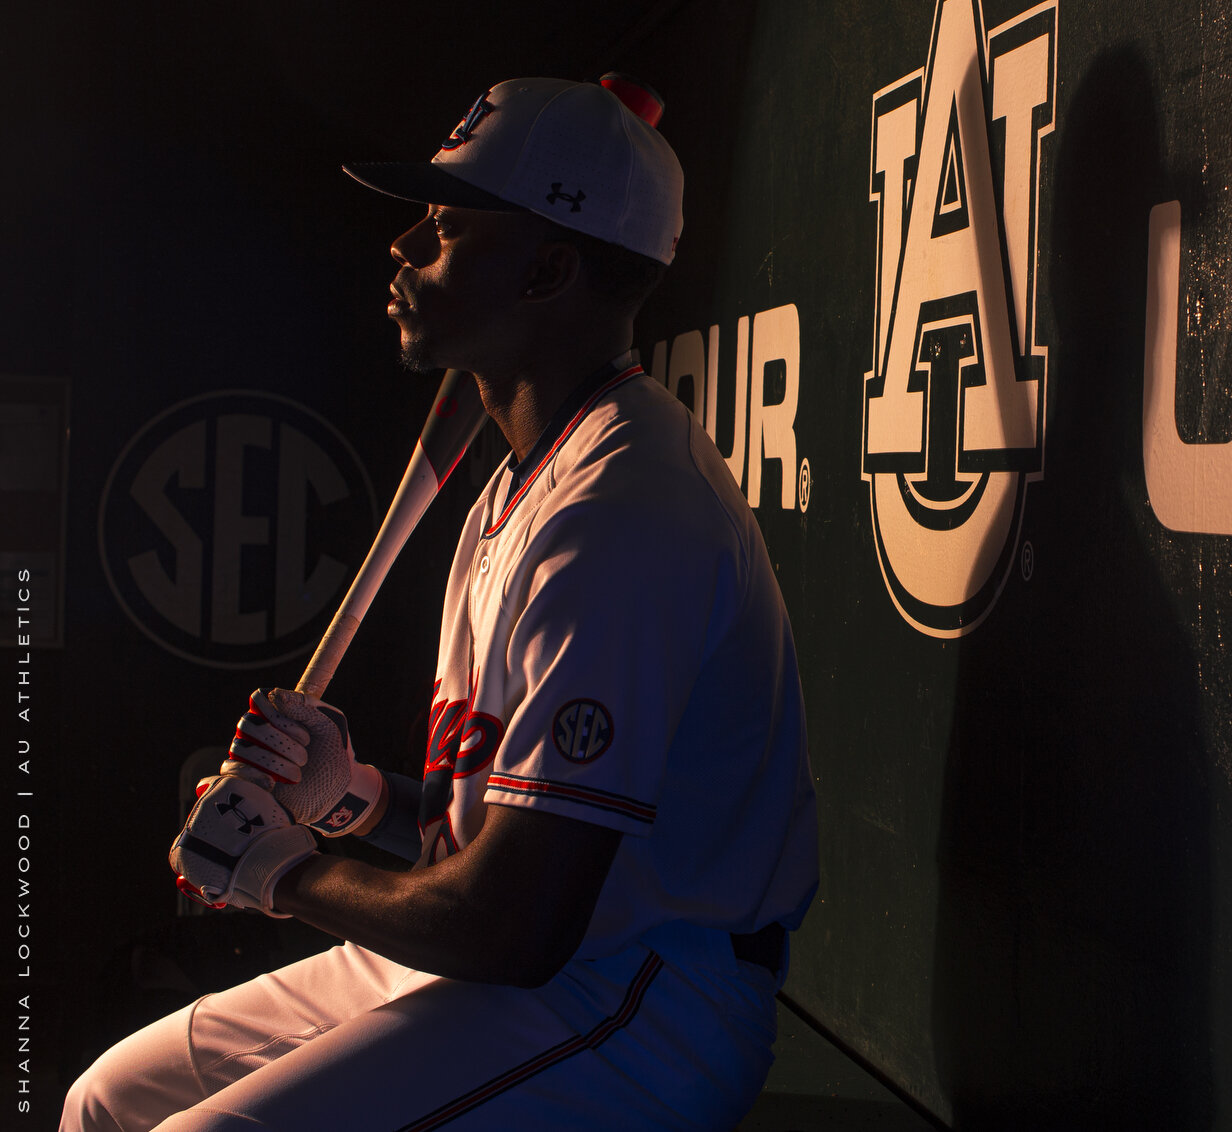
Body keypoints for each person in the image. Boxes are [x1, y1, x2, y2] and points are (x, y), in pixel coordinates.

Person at [62, 77, 817, 1131]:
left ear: (549, 268)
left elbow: (514, 924)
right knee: (106, 1098)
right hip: (509, 956)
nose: (404, 245)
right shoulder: (516, 480)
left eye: (448, 226)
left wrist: (278, 869)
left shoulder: (624, 513)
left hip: (638, 997)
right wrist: (359, 796)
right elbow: (507, 828)